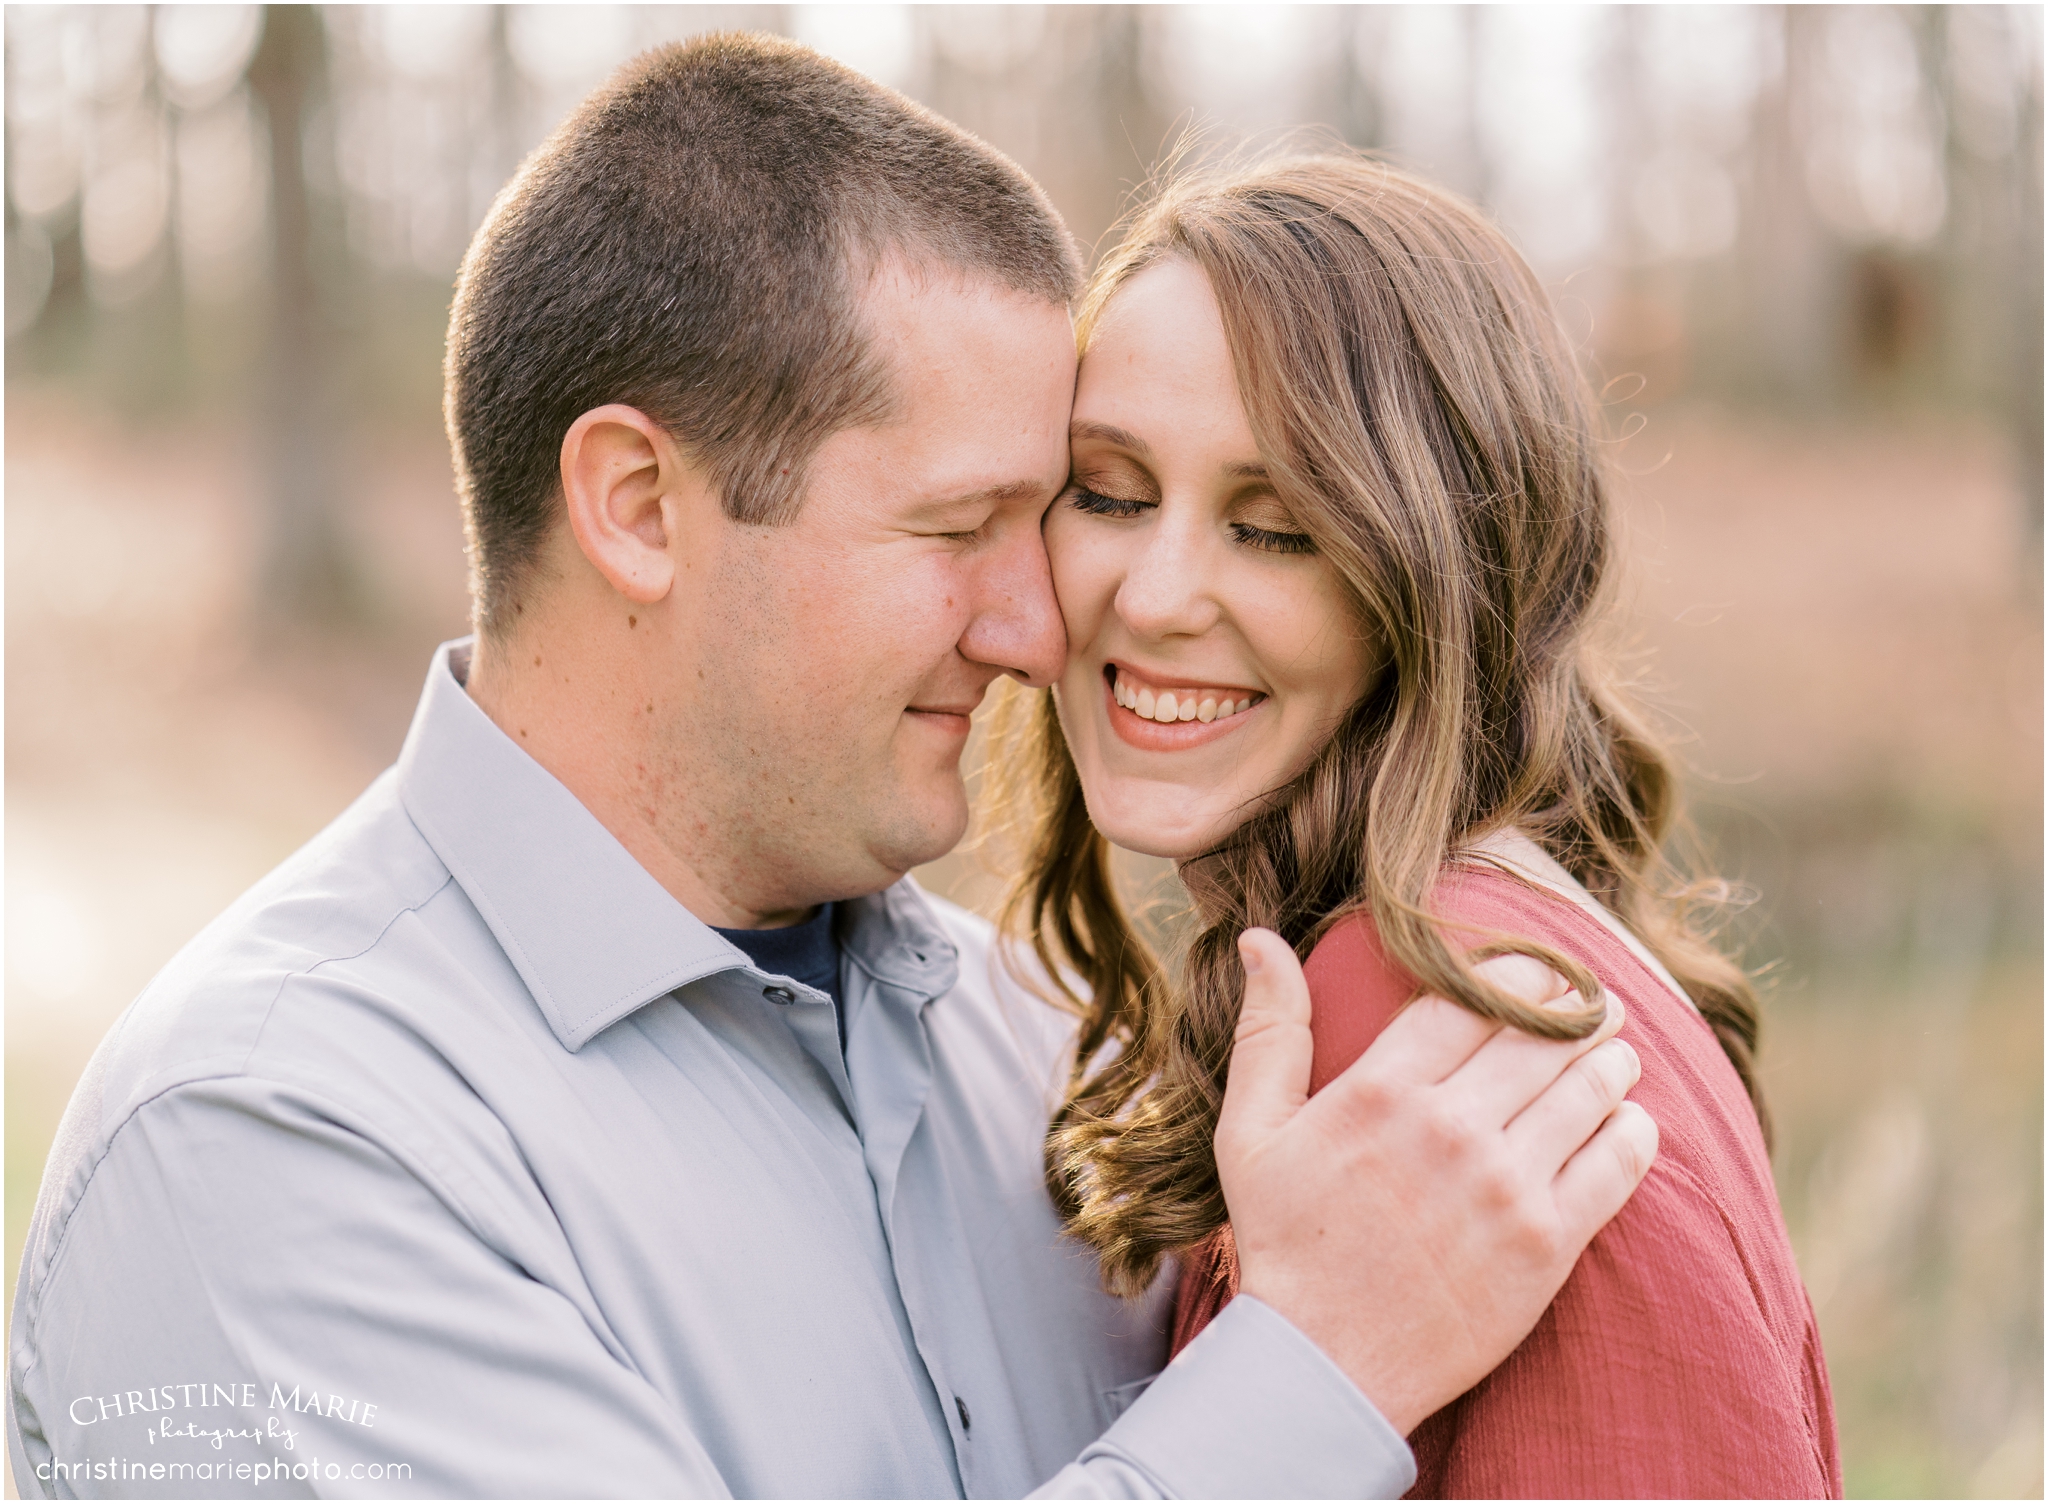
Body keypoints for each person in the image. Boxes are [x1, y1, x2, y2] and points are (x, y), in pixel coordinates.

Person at [6, 39, 1656, 1501]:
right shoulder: (276, 1142)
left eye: (1048, 513)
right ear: (640, 508)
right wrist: (1313, 1385)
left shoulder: (1049, 1060)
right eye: (959, 530)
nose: (1037, 630)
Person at [1003, 153, 1843, 1498]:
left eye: (1273, 527)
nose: (1154, 596)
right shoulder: (1452, 955)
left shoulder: (1436, 1022)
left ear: (1443, 577)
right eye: (1107, 491)